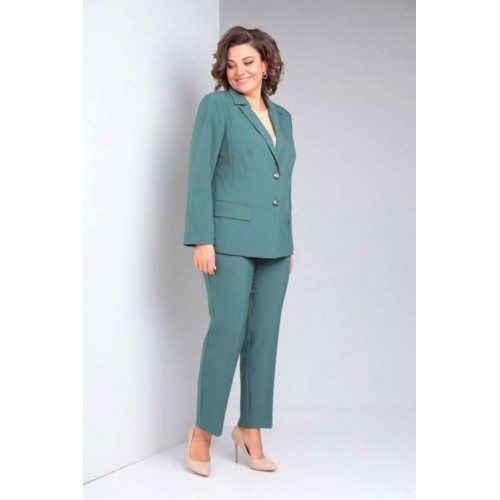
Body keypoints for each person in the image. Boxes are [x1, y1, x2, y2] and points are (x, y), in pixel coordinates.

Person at [182, 25, 296, 477]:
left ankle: (251, 430)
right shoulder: (216, 107)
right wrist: (202, 238)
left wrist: (288, 242)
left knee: (264, 337)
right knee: (227, 330)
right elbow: (199, 172)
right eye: (231, 64)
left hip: (275, 245)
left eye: (248, 62)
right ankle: (202, 432)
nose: (239, 71)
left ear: (266, 65)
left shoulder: (283, 117)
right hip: (227, 241)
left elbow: (281, 184)